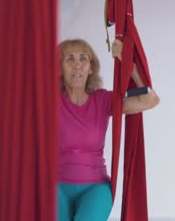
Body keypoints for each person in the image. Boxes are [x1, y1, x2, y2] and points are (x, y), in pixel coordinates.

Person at [57, 38, 159, 221]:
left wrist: (128, 64)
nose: (77, 65)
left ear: (91, 69)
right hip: (55, 187)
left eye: (83, 59)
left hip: (95, 188)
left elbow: (149, 100)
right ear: (59, 68)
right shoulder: (49, 100)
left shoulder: (102, 100)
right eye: (69, 59)